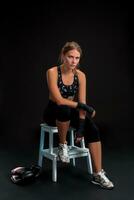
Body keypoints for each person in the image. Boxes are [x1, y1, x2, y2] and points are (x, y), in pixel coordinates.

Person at [43, 41, 114, 189]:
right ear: (63, 56)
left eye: (77, 58)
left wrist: (81, 128)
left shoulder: (80, 76)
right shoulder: (52, 72)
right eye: (70, 57)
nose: (73, 61)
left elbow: (81, 103)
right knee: (63, 108)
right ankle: (63, 145)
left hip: (70, 111)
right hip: (53, 111)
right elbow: (58, 99)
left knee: (93, 129)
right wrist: (83, 106)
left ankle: (97, 173)